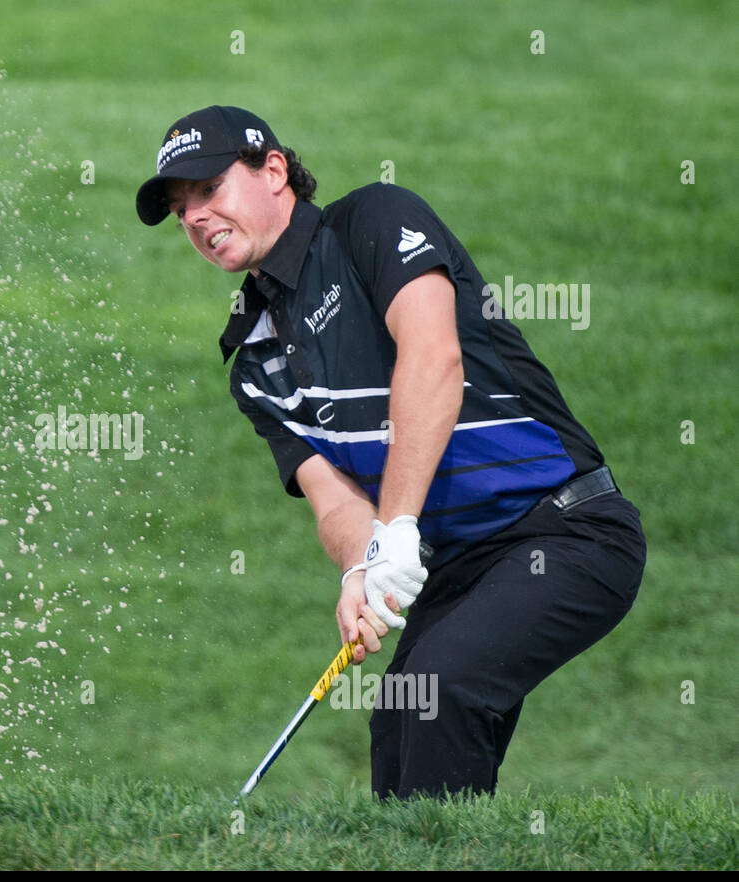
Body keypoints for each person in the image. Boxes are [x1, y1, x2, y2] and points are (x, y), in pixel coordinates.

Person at [135, 105, 647, 800]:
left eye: (209, 189)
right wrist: (360, 568)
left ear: (275, 170)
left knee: (448, 690)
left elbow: (434, 358)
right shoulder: (251, 360)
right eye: (178, 206)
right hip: (459, 566)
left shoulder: (372, 222)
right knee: (405, 720)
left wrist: (398, 525)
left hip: (569, 530)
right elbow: (333, 495)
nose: (193, 216)